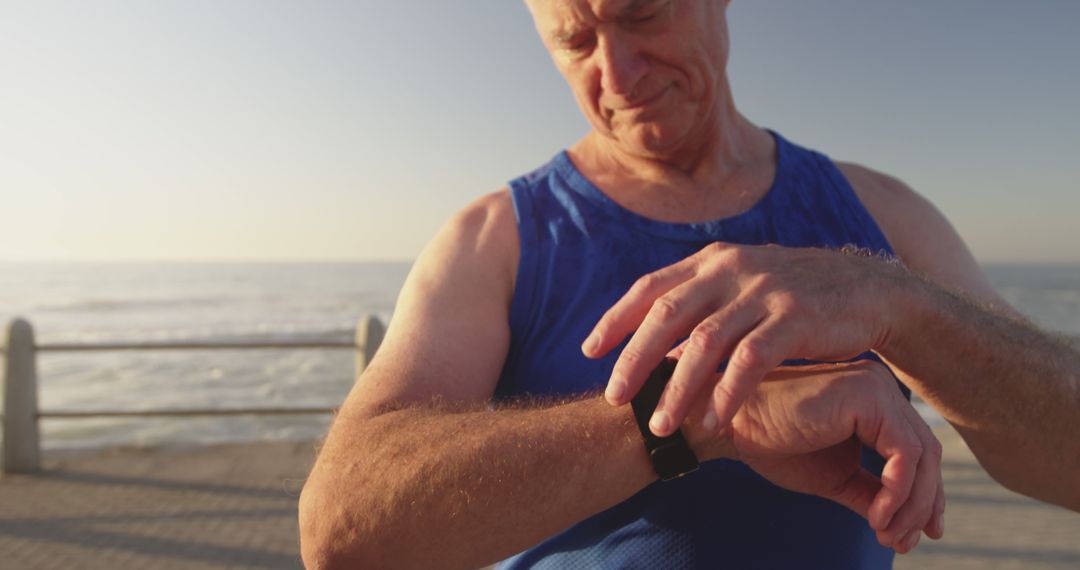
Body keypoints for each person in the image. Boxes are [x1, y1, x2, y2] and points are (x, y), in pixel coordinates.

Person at [299, 1, 1080, 568]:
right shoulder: (495, 238)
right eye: (574, 41)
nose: (617, 73)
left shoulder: (878, 214)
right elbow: (341, 527)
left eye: (641, 14)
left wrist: (899, 308)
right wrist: (698, 419)